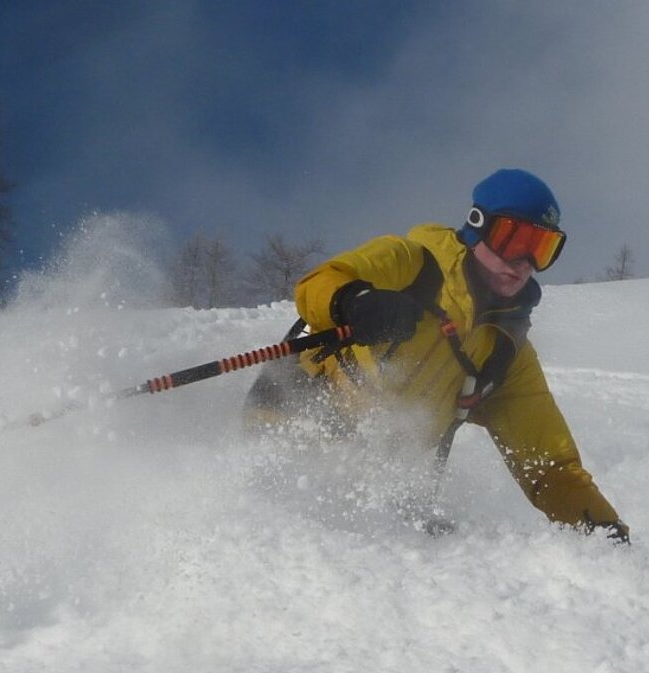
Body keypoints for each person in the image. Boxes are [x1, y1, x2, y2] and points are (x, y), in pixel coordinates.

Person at [245, 168, 628, 543]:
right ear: (477, 226)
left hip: (371, 474)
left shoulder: (505, 352)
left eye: (542, 249)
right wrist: (357, 301)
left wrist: (604, 532)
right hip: (291, 420)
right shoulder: (412, 263)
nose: (523, 262)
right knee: (274, 529)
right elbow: (321, 281)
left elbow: (550, 466)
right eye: (515, 239)